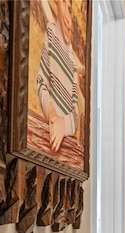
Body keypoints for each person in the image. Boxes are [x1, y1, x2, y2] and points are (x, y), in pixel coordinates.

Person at [37, 0, 79, 153]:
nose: (68, 19)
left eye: (70, 11)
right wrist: (52, 114)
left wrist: (63, 124)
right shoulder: (51, 33)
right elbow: (41, 82)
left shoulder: (72, 62)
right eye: (64, 8)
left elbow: (75, 114)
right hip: (49, 134)